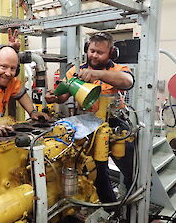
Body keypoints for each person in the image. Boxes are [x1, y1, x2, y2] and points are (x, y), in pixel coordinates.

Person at [45, 32, 134, 203]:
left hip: (115, 126)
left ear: (111, 53)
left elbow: (127, 81)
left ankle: (133, 206)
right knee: (97, 170)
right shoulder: (75, 71)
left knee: (130, 170)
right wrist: (53, 97)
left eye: (100, 52)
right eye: (92, 50)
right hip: (88, 127)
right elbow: (62, 96)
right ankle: (108, 206)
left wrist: (97, 75)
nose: (94, 55)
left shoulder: (117, 70)